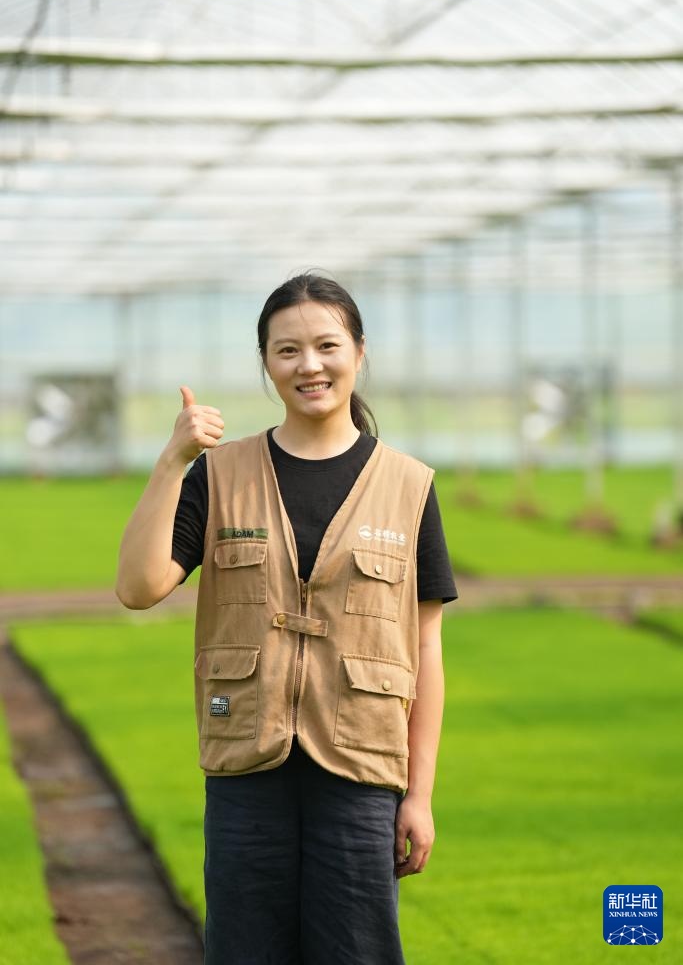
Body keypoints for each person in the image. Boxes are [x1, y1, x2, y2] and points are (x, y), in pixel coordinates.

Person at [116, 271, 458, 964]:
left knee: (356, 952)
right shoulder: (221, 474)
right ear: (267, 364)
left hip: (362, 771)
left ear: (359, 353)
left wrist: (417, 797)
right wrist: (172, 463)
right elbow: (139, 586)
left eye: (326, 346)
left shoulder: (408, 487)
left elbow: (426, 648)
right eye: (287, 350)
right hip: (247, 767)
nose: (309, 365)